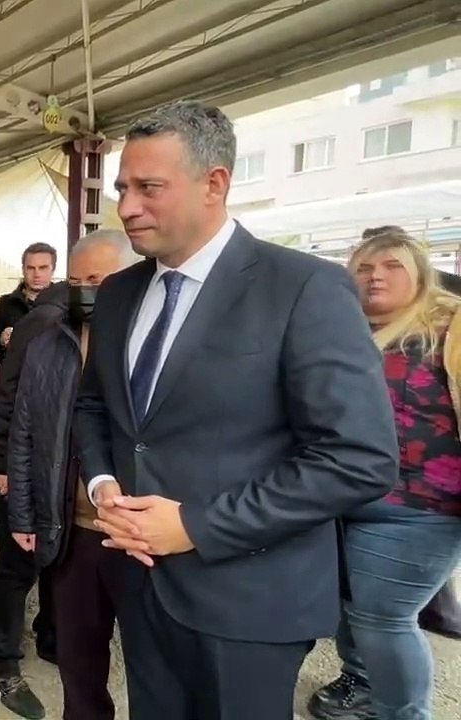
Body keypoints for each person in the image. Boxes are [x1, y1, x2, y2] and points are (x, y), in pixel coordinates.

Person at [76, 100, 398, 719]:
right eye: (122, 188)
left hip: (248, 599)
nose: (127, 207)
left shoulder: (303, 288)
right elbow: (96, 407)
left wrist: (196, 525)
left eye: (149, 188)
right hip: (140, 586)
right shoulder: (118, 294)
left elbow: (358, 459)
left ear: (214, 183)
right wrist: (102, 483)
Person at [307, 229, 461, 720]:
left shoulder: (448, 328)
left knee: (384, 617)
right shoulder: (338, 328)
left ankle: (403, 713)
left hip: (419, 508)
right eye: (365, 267)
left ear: (420, 275)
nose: (376, 277)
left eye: (392, 266)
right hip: (340, 496)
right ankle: (361, 681)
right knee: (356, 605)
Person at [0, 229, 136, 720]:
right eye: (76, 281)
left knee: (150, 669)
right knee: (81, 666)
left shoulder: (156, 345)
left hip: (139, 533)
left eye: (97, 279)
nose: (85, 292)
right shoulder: (49, 342)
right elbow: (24, 430)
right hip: (72, 526)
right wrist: (22, 511)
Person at [0, 243, 58, 548]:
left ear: (53, 269)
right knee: (4, 455)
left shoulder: (63, 304)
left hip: (49, 392)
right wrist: (1, 338)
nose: (37, 274)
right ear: (23, 270)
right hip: (12, 389)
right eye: (31, 268)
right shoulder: (8, 305)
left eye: (43, 268)